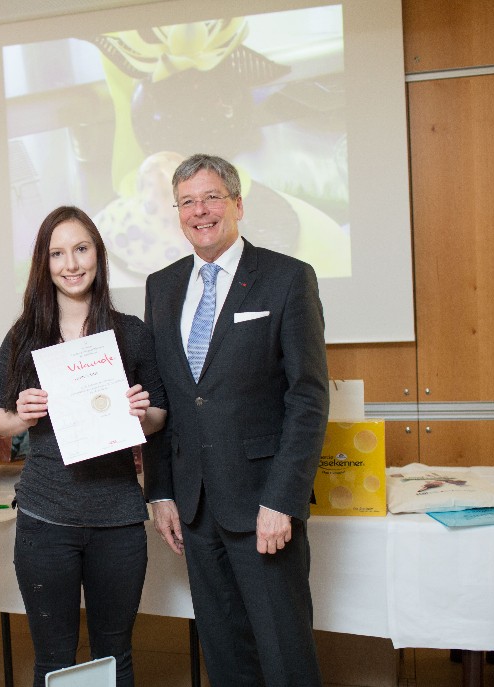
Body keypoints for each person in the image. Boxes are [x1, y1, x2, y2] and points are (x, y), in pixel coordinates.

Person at [143, 154, 329, 686]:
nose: (200, 211)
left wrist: (283, 500)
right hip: (195, 509)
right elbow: (164, 396)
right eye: (187, 202)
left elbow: (308, 398)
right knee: (225, 656)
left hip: (263, 505)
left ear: (238, 204)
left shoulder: (287, 278)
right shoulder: (161, 286)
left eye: (211, 198)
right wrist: (160, 491)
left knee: (284, 654)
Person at [0, 206, 166, 687]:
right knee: (53, 660)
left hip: (119, 518)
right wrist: (20, 415)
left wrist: (141, 413)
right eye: (57, 253)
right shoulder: (25, 335)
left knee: (115, 655)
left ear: (98, 255)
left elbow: (160, 415)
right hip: (45, 519)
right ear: (44, 264)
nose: (71, 264)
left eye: (81, 249)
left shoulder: (131, 333)